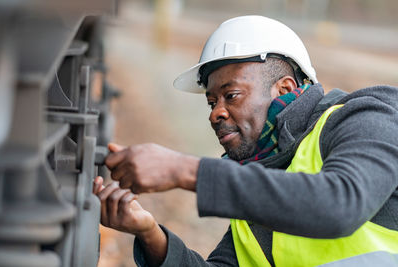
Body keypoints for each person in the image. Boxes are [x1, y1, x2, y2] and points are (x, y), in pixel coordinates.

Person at [93, 16, 398, 267]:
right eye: (212, 102)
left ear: (284, 88)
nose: (216, 113)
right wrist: (149, 233)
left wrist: (185, 170)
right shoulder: (262, 181)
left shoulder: (366, 115)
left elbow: (340, 205)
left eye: (231, 95)